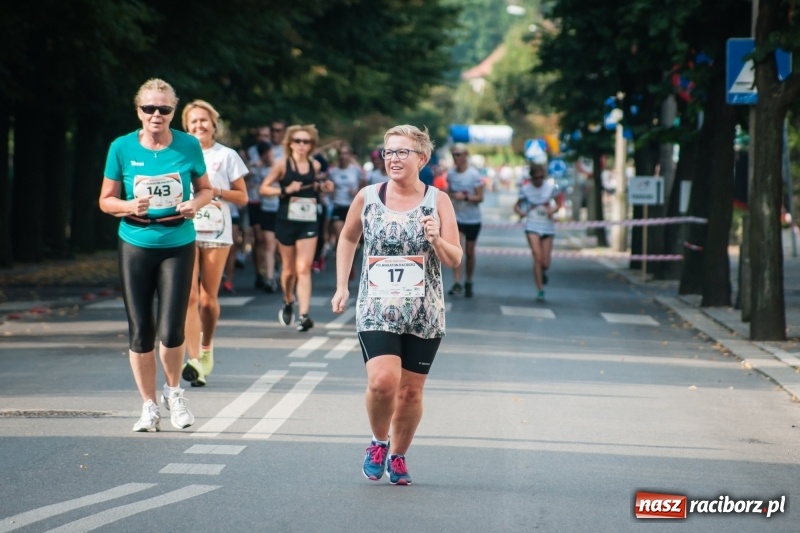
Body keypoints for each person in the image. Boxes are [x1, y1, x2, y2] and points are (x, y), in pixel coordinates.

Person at [331, 125, 462, 485]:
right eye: (389, 152)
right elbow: (348, 237)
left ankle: (399, 456)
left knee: (410, 391)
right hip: (377, 307)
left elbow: (455, 259)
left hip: (423, 311)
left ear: (422, 159)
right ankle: (378, 442)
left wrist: (436, 240)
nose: (394, 159)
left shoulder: (438, 201)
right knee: (383, 382)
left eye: (403, 152)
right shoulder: (368, 197)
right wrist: (342, 285)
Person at [98, 78, 213, 432]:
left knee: (172, 330)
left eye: (164, 109)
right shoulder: (121, 147)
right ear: (139, 111)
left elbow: (206, 190)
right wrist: (128, 205)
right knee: (140, 332)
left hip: (177, 243)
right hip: (135, 243)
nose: (156, 115)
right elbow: (105, 200)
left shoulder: (188, 145)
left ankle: (174, 393)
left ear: (173, 112)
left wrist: (195, 204)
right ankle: (148, 406)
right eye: (149, 108)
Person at [180, 100, 248, 387]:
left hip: (217, 231)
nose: (199, 125)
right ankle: (194, 360)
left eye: (203, 120)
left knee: (208, 299)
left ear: (213, 124)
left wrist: (214, 191)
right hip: (185, 229)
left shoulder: (226, 155)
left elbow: (243, 197)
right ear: (186, 126)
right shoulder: (178, 154)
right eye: (193, 121)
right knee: (189, 297)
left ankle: (206, 346)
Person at [260, 124, 333, 332]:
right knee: (289, 270)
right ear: (290, 143)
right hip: (286, 221)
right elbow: (264, 188)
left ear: (311, 145)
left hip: (309, 221)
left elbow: (314, 186)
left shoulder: (314, 165)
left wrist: (324, 187)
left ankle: (304, 315)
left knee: (304, 267)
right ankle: (288, 300)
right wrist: (285, 189)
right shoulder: (282, 164)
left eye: (306, 141)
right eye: (298, 141)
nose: (302, 145)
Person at [514, 163, 564, 302]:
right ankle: (540, 289)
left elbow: (558, 204)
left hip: (547, 226)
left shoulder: (550, 187)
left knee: (545, 263)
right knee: (537, 257)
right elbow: (516, 206)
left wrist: (552, 211)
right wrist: (521, 212)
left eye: (541, 177)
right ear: (531, 178)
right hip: (532, 225)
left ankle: (542, 272)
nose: (539, 180)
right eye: (536, 178)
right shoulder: (525, 189)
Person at [446, 143, 484, 298]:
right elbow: (449, 192)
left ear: (465, 155)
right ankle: (457, 282)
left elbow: (480, 197)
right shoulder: (451, 174)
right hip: (457, 217)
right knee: (457, 250)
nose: (455, 157)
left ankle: (468, 280)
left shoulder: (474, 174)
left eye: (458, 154)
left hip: (473, 219)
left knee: (469, 251)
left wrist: (466, 197)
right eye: (453, 154)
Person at [247, 141, 280, 291]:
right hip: (264, 208)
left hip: (280, 208)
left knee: (280, 244)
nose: (267, 156)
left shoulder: (279, 165)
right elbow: (243, 175)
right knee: (268, 242)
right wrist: (253, 167)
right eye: (264, 154)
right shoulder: (258, 167)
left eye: (269, 153)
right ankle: (269, 277)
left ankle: (281, 269)